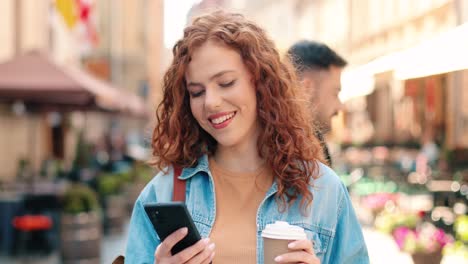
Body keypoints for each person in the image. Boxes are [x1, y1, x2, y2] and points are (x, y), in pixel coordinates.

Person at [125, 11, 368, 264]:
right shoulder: (161, 194)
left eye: (226, 83)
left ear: (261, 83)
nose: (211, 102)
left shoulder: (324, 190)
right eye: (196, 92)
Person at [287, 41, 347, 166]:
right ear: (306, 89)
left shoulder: (310, 144)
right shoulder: (289, 154)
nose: (341, 106)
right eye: (335, 93)